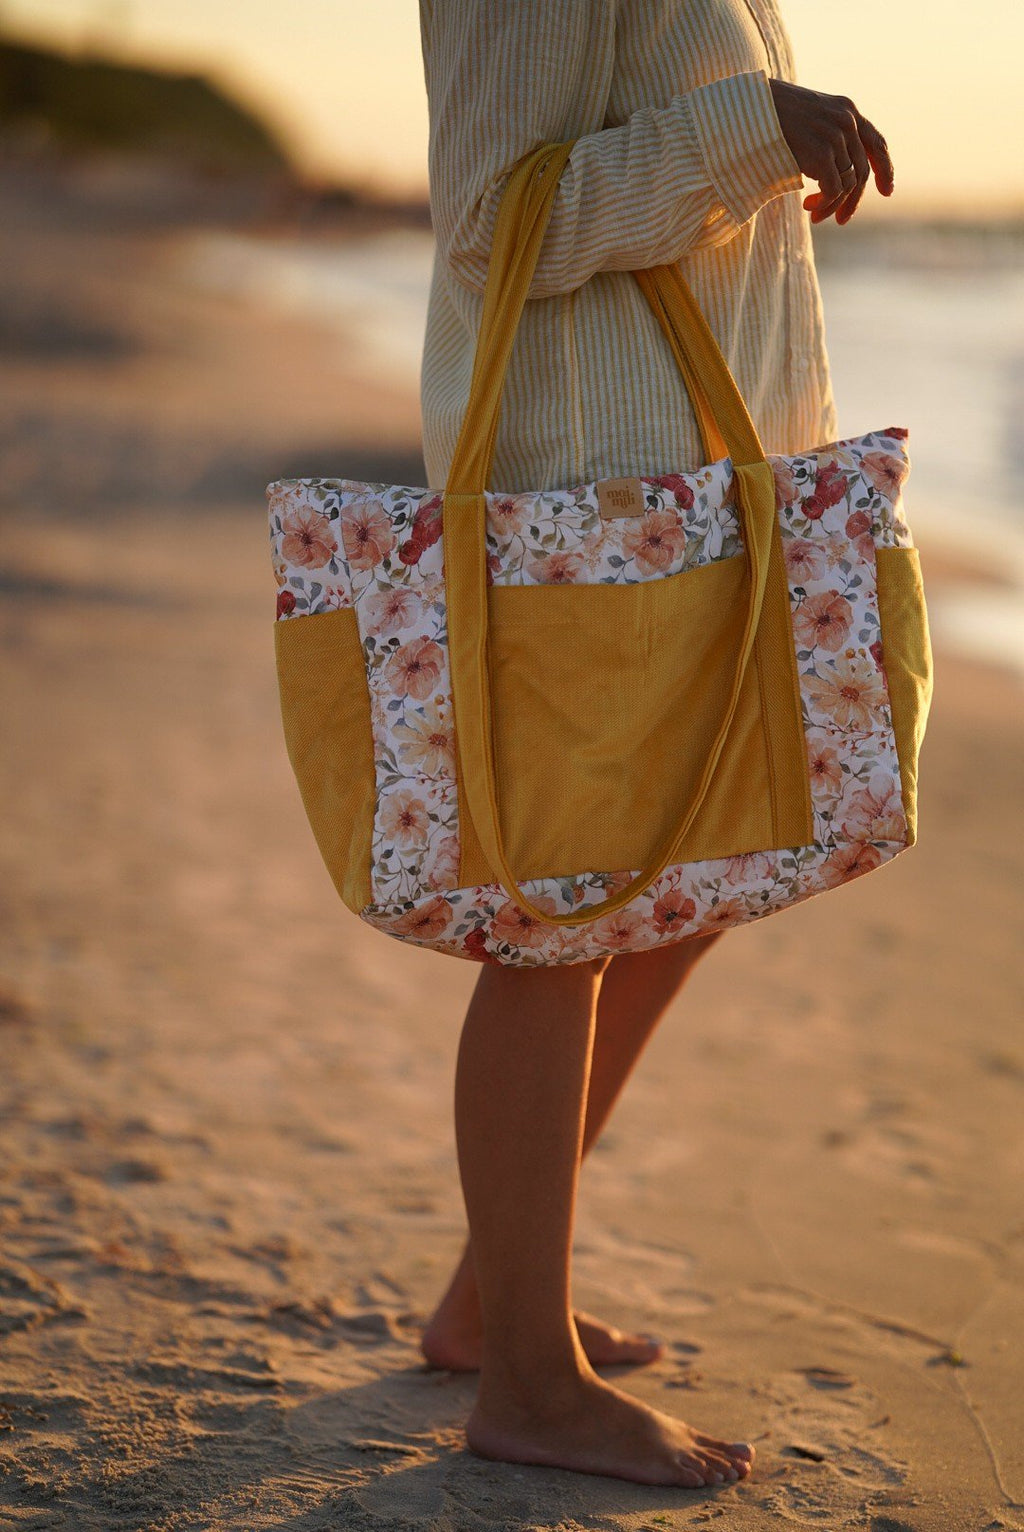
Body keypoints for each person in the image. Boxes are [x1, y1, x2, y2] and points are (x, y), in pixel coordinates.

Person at [415, 0, 894, 1492]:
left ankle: (495, 1292)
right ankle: (526, 1384)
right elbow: (499, 219)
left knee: (690, 891)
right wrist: (747, 131)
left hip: (716, 482)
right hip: (594, 497)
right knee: (564, 921)